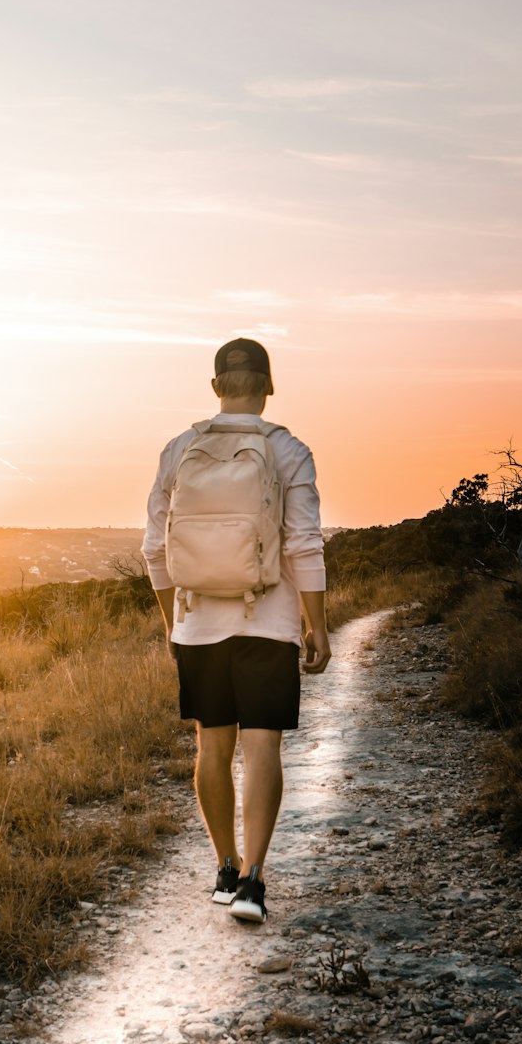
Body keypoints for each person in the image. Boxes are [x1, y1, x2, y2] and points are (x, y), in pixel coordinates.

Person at [142, 337, 331, 925]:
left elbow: (154, 546)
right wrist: (315, 624)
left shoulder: (179, 449)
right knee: (262, 746)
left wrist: (177, 622)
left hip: (199, 621)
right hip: (267, 622)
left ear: (216, 385)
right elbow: (303, 542)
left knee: (212, 744)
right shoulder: (288, 450)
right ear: (268, 386)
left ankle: (223, 866)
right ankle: (253, 880)